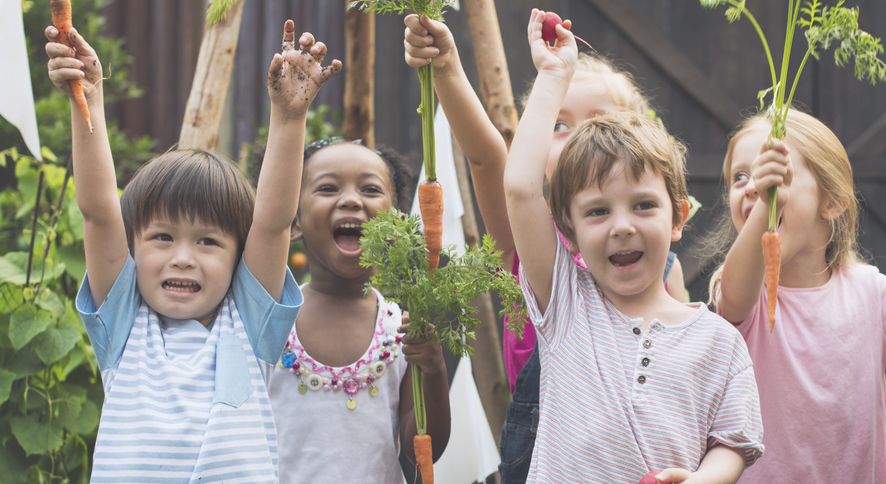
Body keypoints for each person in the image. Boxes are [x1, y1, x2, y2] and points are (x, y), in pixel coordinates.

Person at [48, 20, 340, 482]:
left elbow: (271, 222)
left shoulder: (249, 321)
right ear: (133, 247)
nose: (183, 257)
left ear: (238, 256)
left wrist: (289, 118)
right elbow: (100, 212)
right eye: (162, 237)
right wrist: (89, 100)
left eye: (208, 242)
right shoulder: (123, 323)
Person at [402, 13, 687, 483]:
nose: (579, 137)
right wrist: (447, 65)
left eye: (601, 122)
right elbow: (486, 157)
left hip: (643, 449)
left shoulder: (658, 259)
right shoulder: (530, 240)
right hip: (546, 452)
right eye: (559, 124)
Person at [502, 10, 763, 483]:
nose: (621, 226)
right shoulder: (566, 302)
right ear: (570, 227)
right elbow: (520, 187)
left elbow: (734, 442)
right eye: (598, 212)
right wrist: (553, 75)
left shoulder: (719, 341)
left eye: (643, 205)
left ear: (679, 217)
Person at [704, 108, 886, 484]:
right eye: (741, 177)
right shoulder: (742, 291)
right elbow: (734, 295)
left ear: (831, 201)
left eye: (777, 174)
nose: (754, 186)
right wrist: (769, 200)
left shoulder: (871, 292)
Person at [255, 137, 452, 483]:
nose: (350, 199)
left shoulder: (402, 328)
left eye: (370, 189)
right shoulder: (274, 320)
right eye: (328, 188)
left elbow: (422, 450)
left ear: (396, 224)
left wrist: (434, 371)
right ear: (294, 221)